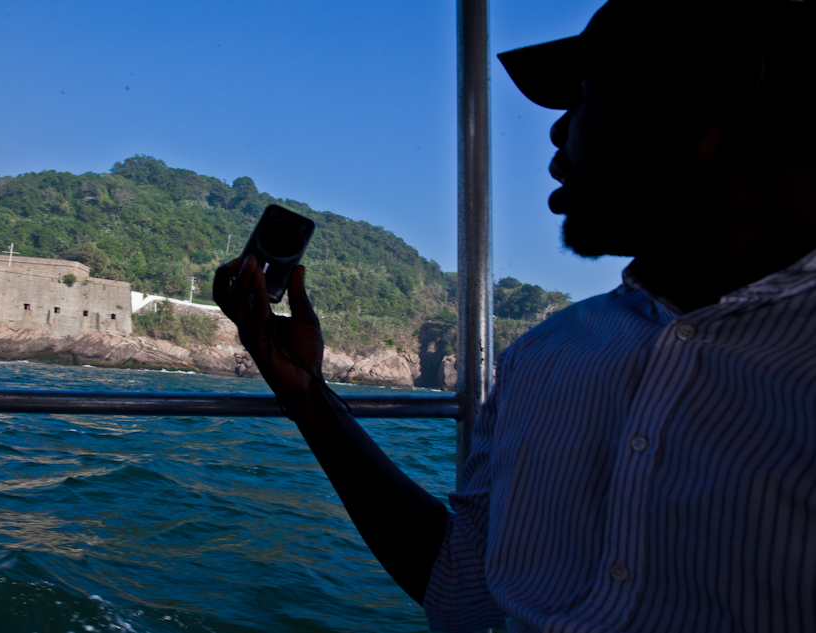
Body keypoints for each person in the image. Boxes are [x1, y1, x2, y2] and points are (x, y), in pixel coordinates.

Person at [213, 0, 816, 630]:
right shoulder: (545, 355)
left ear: (708, 91)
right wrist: (309, 395)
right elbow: (461, 585)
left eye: (582, 94)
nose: (557, 135)